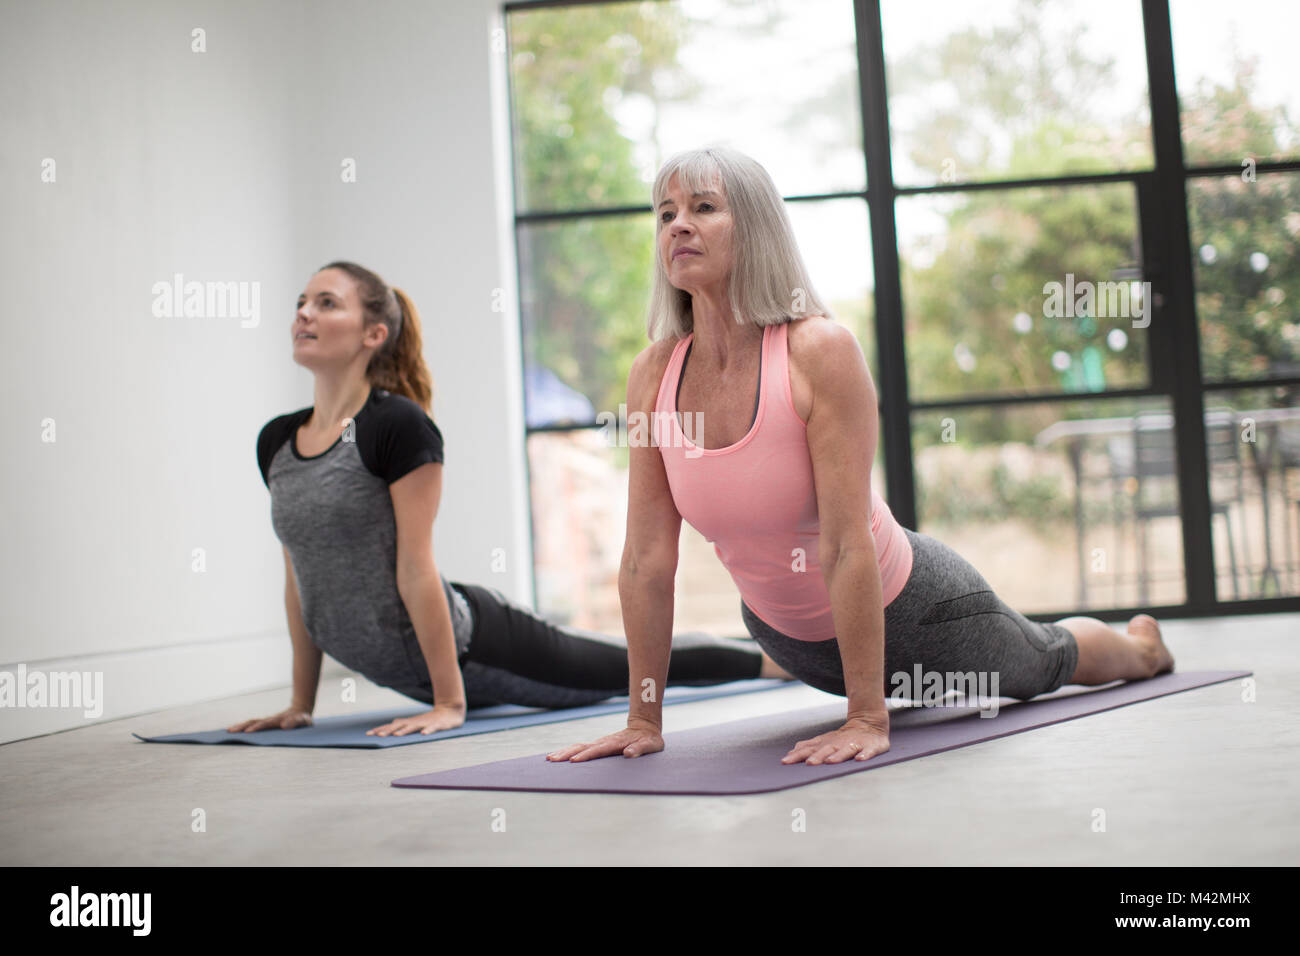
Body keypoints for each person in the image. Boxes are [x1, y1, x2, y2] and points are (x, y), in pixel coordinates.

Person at [547, 146, 1176, 767]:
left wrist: (869, 718)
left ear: (758, 229)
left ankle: (1142, 650)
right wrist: (643, 719)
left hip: (917, 609)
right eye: (665, 213)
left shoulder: (818, 351)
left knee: (1043, 660)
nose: (677, 224)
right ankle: (882, 690)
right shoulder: (652, 374)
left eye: (703, 207)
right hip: (790, 641)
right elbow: (645, 558)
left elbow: (847, 543)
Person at [229, 260, 789, 738]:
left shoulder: (396, 425)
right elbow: (300, 578)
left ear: (373, 333)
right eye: (302, 302)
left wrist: (449, 703)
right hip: (409, 665)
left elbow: (416, 568)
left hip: (482, 646)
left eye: (326, 303)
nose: (303, 313)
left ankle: (774, 662)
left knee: (625, 665)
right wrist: (301, 706)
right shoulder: (277, 440)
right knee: (618, 658)